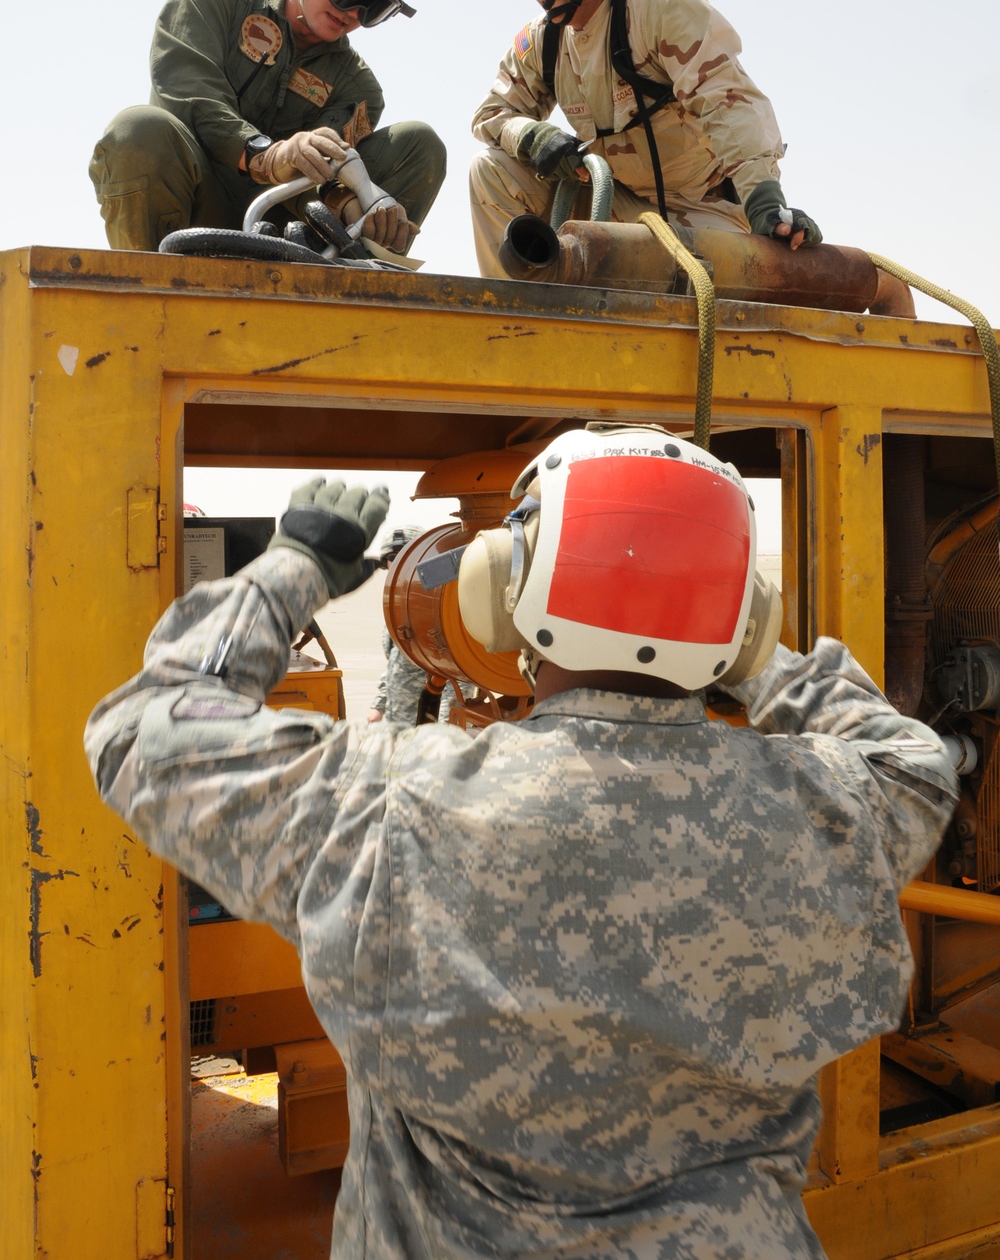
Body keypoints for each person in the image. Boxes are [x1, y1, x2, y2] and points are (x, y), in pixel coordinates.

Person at [85, 429, 958, 1260]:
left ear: (507, 589)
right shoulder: (838, 809)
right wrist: (754, 657)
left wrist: (294, 565)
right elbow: (915, 763)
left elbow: (140, 731)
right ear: (747, 615)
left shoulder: (383, 807)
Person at [471, 0, 822, 277]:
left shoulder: (659, 2)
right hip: (614, 204)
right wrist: (533, 136)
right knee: (490, 170)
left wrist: (765, 203)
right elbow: (491, 115)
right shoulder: (544, 39)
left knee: (730, 284)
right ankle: (516, 324)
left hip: (698, 213)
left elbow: (729, 105)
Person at [90, 0, 446, 256]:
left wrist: (354, 204)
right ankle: (150, 288)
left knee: (419, 145)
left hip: (285, 237)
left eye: (375, 6)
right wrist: (269, 155)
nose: (353, 12)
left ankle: (346, 293)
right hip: (193, 203)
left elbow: (323, 176)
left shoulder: (358, 88)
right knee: (138, 128)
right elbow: (189, 94)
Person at [366, 524, 475, 725]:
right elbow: (394, 664)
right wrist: (379, 705)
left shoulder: (442, 610)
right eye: (393, 558)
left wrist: (445, 727)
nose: (398, 564)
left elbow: (459, 675)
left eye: (405, 556)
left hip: (427, 731)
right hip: (398, 725)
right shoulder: (400, 606)